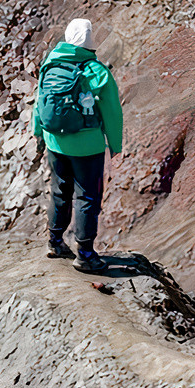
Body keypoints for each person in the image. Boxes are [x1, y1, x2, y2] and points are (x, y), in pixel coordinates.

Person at [30, 17, 123, 265]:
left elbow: (40, 101)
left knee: (60, 191)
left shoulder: (50, 65)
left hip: (55, 143)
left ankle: (55, 242)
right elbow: (112, 112)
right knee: (87, 197)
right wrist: (115, 145)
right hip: (87, 147)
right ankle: (85, 254)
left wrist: (38, 130)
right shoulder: (95, 71)